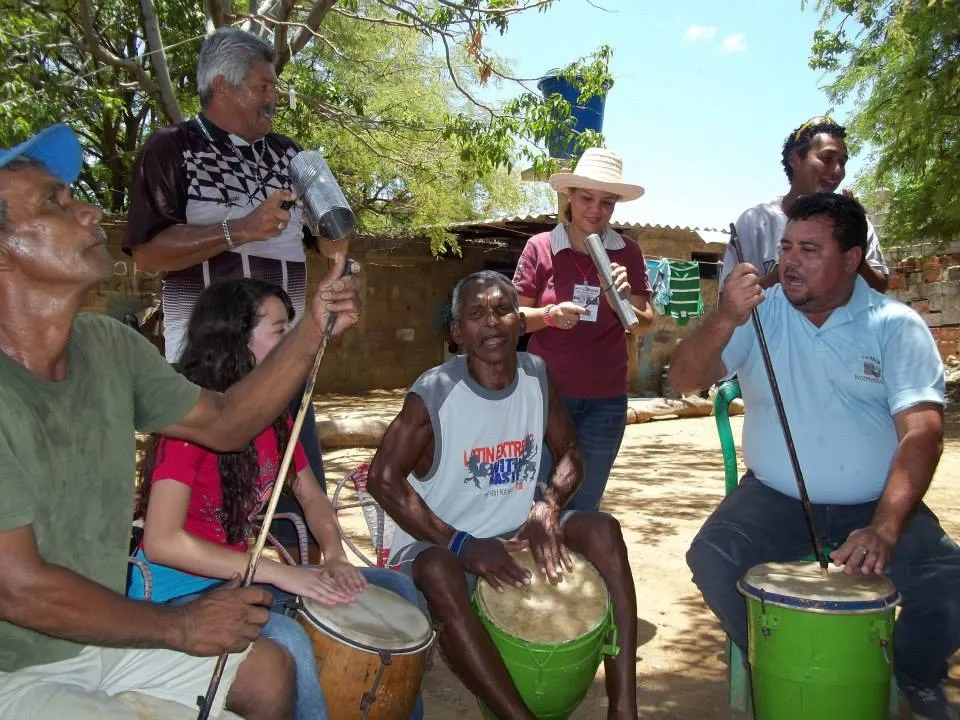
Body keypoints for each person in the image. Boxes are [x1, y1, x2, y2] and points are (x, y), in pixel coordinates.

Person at [0, 124, 361, 719]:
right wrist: (179, 624)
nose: (90, 211)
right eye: (54, 202)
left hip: (101, 635)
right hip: (16, 665)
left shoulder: (108, 346)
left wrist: (313, 326)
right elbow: (17, 587)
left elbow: (224, 422)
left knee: (269, 667)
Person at [671, 193, 960, 720]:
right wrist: (721, 318)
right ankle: (783, 660)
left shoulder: (895, 324)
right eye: (786, 248)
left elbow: (922, 433)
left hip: (876, 502)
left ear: (851, 260)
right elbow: (682, 379)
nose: (791, 262)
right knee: (712, 557)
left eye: (810, 249)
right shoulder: (758, 314)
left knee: (946, 577)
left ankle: (914, 676)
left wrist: (886, 528)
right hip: (775, 496)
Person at [130, 277, 422, 720]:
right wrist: (280, 575)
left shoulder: (277, 418)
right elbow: (162, 542)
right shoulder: (190, 427)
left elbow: (311, 495)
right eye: (280, 331)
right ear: (235, 342)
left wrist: (337, 555)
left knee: (397, 588)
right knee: (288, 639)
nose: (293, 342)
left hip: (240, 578)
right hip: (175, 596)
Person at [367, 271, 640, 720]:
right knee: (436, 568)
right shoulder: (434, 393)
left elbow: (570, 450)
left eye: (502, 310)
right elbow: (382, 479)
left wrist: (548, 505)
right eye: (475, 315)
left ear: (521, 320)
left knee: (603, 529)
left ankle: (624, 706)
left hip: (515, 534)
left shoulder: (536, 375)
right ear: (457, 332)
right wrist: (461, 543)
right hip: (441, 545)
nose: (490, 323)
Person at [124, 29, 328, 550]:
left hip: (284, 359)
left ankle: (300, 599)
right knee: (213, 508)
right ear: (223, 85)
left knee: (294, 495)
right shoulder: (171, 149)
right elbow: (147, 251)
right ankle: (204, 608)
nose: (275, 97)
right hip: (206, 372)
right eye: (264, 85)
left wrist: (336, 231)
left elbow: (333, 241)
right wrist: (238, 230)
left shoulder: (291, 157)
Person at [512, 148, 654, 511]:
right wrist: (548, 315)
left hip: (605, 400)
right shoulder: (540, 248)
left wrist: (621, 300)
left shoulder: (628, 252)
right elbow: (510, 319)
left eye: (607, 202)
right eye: (587, 198)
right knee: (535, 499)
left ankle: (573, 568)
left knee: (583, 502)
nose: (596, 209)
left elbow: (645, 323)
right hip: (546, 397)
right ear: (569, 198)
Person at [720, 115, 890, 293]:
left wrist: (852, 244)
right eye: (827, 159)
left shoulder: (856, 223)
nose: (838, 171)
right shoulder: (756, 222)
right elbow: (729, 302)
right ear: (794, 159)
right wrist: (784, 271)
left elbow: (880, 288)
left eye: (842, 162)